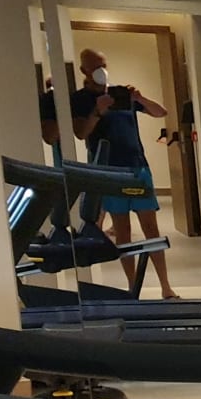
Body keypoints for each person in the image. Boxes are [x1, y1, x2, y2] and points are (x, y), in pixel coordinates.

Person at [71, 47, 179, 299]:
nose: (101, 70)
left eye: (104, 64)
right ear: (84, 70)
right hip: (109, 171)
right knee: (122, 231)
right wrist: (98, 111)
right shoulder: (81, 99)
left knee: (151, 228)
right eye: (95, 66)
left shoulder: (121, 94)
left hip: (137, 167)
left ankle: (166, 286)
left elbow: (161, 112)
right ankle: (133, 286)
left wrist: (140, 98)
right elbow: (81, 133)